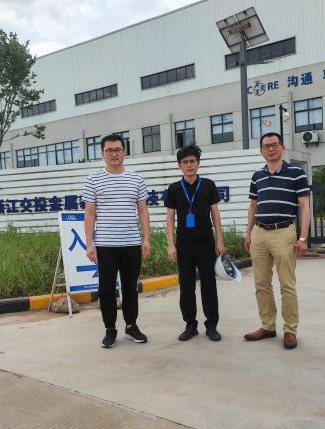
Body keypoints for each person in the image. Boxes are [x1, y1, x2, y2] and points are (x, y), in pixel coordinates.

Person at [83, 134, 151, 348]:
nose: (114, 154)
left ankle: (131, 326)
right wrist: (89, 243)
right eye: (109, 150)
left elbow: (143, 210)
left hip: (131, 243)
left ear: (124, 151)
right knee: (106, 289)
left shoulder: (136, 179)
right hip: (106, 245)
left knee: (130, 287)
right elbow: (89, 213)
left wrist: (146, 238)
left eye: (118, 149)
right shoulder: (93, 179)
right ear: (102, 153)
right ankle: (110, 329)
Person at [243, 132, 310, 349]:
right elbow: (253, 206)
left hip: (283, 232)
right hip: (259, 233)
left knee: (287, 284)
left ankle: (290, 330)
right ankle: (268, 326)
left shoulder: (296, 173)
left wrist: (303, 237)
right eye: (266, 146)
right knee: (261, 284)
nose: (271, 149)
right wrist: (248, 233)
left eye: (274, 145)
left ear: (282, 147)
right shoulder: (257, 176)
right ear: (261, 151)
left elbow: (304, 206)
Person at [165, 146, 225, 342]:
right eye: (185, 162)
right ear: (179, 165)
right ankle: (190, 325)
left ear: (198, 163)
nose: (189, 165)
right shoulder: (174, 188)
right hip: (183, 245)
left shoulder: (208, 185)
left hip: (206, 244)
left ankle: (212, 326)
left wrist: (219, 240)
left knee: (209, 286)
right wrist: (170, 244)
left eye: (192, 161)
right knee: (186, 287)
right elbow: (170, 216)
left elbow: (215, 213)